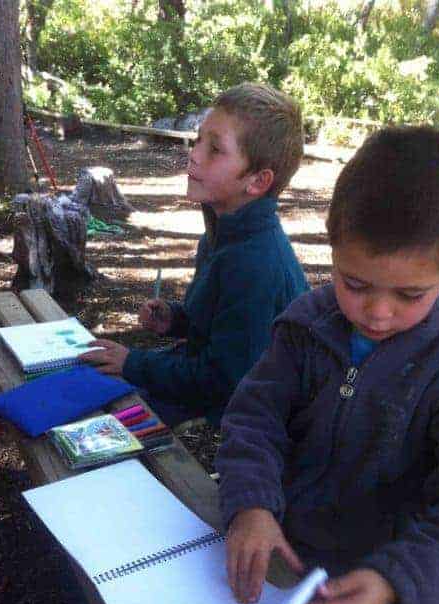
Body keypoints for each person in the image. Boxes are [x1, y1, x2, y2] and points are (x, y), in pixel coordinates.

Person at [215, 125, 439, 604]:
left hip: (373, 565)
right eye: (356, 283)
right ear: (333, 247)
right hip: (274, 537)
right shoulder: (307, 325)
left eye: (410, 294)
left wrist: (395, 578)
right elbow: (253, 419)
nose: (379, 312)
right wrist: (252, 505)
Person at [80, 83, 309, 427]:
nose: (195, 154)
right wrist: (176, 319)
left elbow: (224, 380)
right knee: (82, 390)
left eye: (215, 149)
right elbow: (224, 328)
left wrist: (134, 364)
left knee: (92, 421)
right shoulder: (223, 234)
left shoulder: (255, 264)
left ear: (258, 182)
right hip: (210, 385)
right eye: (199, 139)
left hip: (261, 427)